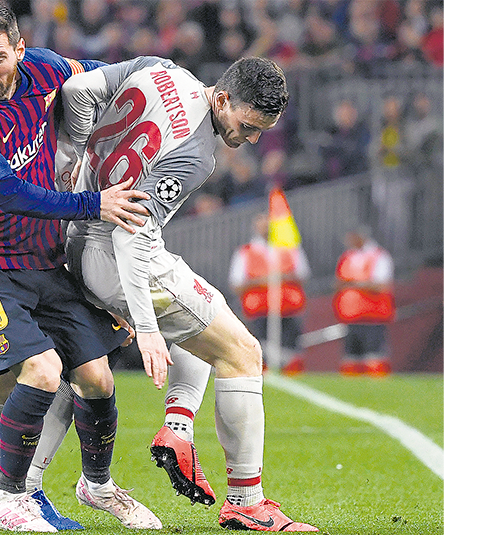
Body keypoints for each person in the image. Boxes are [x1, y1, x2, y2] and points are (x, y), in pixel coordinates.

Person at [60, 55, 318, 531]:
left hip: (75, 230)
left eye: (262, 131)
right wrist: (145, 327)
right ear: (221, 99)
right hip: (116, 256)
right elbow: (131, 235)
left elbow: (77, 92)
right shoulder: (197, 152)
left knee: (199, 318)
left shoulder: (159, 69)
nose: (252, 139)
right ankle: (246, 499)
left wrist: (71, 155)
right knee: (243, 351)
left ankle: (176, 428)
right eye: (247, 125)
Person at [0, 3, 159, 532]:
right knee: (39, 370)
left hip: (40, 263)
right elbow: (8, 194)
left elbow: (91, 81)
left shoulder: (47, 69)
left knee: (98, 377)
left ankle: (97, 486)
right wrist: (93, 202)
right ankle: (9, 498)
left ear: (18, 48)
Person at [228, 213, 311, 374]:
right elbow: (236, 283)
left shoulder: (289, 247)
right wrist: (261, 281)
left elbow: (303, 274)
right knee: (260, 347)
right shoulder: (245, 252)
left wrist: (281, 278)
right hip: (258, 309)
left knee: (290, 349)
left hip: (287, 308)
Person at [333, 226, 395, 376]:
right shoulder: (347, 256)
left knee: (374, 358)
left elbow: (382, 285)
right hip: (350, 316)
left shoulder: (379, 256)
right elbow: (338, 283)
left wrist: (354, 283)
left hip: (372, 316)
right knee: (351, 359)